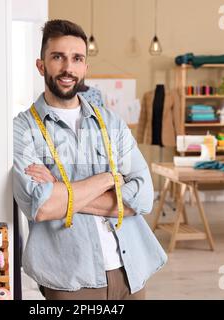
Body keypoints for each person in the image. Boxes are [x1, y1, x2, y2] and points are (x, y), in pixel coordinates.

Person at [13, 19, 167, 300]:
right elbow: (42, 206)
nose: (68, 68)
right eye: (58, 57)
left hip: (130, 269)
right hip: (70, 277)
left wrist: (62, 193)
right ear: (41, 65)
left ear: (85, 67)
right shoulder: (23, 129)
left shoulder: (110, 122)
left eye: (77, 59)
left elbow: (143, 197)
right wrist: (110, 179)